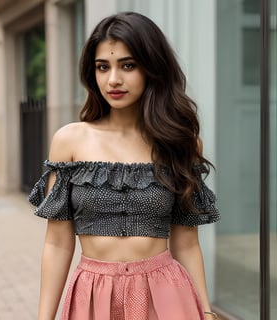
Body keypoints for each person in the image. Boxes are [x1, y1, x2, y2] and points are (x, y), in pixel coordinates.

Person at [28, 11, 220, 320]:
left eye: (127, 65)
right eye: (103, 67)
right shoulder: (70, 141)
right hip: (92, 296)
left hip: (167, 296)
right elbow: (57, 242)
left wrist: (207, 312)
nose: (113, 79)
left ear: (152, 68)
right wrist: (44, 317)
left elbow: (186, 242)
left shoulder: (180, 143)